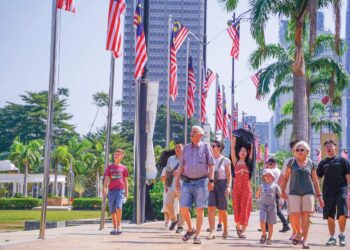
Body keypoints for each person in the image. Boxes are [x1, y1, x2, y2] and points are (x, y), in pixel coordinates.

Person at [175, 125, 215, 244]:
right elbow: (181, 166)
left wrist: (211, 180)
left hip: (202, 182)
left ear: (201, 135)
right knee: (183, 207)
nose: (191, 133)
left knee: (199, 209)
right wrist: (177, 180)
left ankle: (197, 235)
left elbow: (211, 165)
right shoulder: (186, 148)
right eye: (191, 131)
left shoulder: (206, 147)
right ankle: (190, 228)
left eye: (194, 132)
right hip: (186, 182)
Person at [281, 141, 323, 249]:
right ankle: (299, 232)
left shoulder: (311, 163)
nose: (299, 151)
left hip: (308, 192)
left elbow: (315, 181)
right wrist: (282, 191)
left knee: (305, 216)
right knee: (293, 215)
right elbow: (285, 178)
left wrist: (319, 196)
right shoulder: (291, 163)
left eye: (302, 149)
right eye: (297, 150)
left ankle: (305, 240)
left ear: (307, 151)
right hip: (294, 192)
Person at [317, 139, 350, 247]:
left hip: (341, 190)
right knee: (330, 215)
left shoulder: (342, 161)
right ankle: (332, 237)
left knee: (342, 213)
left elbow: (348, 176)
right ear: (325, 149)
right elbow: (317, 177)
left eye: (331, 146)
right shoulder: (323, 163)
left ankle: (341, 234)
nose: (329, 148)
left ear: (335, 147)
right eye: (327, 147)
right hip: (327, 192)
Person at [207, 140, 232, 239]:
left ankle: (225, 229)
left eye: (213, 146)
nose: (212, 148)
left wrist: (228, 187)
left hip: (222, 184)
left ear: (219, 147)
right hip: (211, 184)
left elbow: (229, 176)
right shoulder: (208, 159)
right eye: (211, 146)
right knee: (211, 208)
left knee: (222, 209)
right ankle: (212, 231)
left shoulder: (225, 160)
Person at [231, 135, 253, 238]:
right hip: (236, 189)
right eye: (241, 151)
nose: (243, 152)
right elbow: (232, 149)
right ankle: (238, 226)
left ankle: (243, 230)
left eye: (245, 151)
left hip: (246, 189)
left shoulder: (248, 163)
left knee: (245, 208)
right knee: (237, 208)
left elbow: (252, 151)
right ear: (238, 153)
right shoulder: (235, 162)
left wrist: (252, 147)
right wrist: (234, 139)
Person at [102, 149, 129, 235]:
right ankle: (114, 228)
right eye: (115, 154)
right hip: (111, 191)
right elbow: (106, 178)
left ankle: (119, 226)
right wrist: (104, 188)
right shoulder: (109, 167)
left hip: (120, 190)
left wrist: (126, 193)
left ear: (121, 156)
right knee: (112, 210)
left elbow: (125, 180)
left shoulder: (124, 168)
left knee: (119, 207)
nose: (116, 156)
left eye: (118, 154)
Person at [278, 139, 300, 241]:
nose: (298, 150)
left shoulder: (306, 161)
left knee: (300, 214)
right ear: (292, 150)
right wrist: (277, 187)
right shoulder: (288, 161)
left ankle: (300, 233)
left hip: (303, 191)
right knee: (291, 214)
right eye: (295, 148)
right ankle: (295, 232)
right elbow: (282, 175)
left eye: (300, 147)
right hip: (290, 191)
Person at [162, 142, 184, 233]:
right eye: (176, 147)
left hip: (183, 186)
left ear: (183, 148)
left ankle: (180, 226)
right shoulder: (171, 159)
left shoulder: (186, 159)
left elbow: (190, 171)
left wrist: (180, 172)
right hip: (171, 185)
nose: (177, 149)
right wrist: (166, 184)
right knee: (167, 203)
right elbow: (167, 171)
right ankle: (174, 219)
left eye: (179, 147)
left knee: (183, 207)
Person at [257, 168, 281, 245]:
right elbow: (257, 196)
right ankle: (264, 234)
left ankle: (270, 238)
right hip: (263, 205)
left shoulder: (275, 186)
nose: (267, 177)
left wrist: (281, 201)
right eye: (266, 175)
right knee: (262, 220)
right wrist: (258, 191)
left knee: (270, 223)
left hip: (272, 206)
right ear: (263, 177)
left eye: (269, 175)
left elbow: (280, 195)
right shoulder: (261, 185)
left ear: (273, 177)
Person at [266, 157, 290, 232]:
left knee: (274, 209)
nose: (268, 165)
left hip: (272, 192)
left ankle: (285, 224)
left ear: (273, 164)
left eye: (269, 164)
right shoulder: (279, 171)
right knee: (272, 209)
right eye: (268, 164)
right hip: (277, 191)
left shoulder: (271, 171)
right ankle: (267, 226)